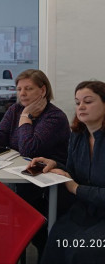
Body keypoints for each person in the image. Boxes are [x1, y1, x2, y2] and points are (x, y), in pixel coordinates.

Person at [0, 69, 71, 259]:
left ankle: (42, 250)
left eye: (28, 89)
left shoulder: (54, 117)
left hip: (48, 183)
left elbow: (29, 149)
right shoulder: (15, 109)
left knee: (29, 218)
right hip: (21, 176)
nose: (22, 94)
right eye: (19, 89)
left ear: (43, 90)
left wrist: (26, 116)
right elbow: (0, 136)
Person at [31, 80, 105, 264]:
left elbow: (75, 185)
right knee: (55, 238)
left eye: (88, 101)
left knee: (84, 252)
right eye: (78, 102)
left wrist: (76, 189)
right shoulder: (78, 136)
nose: (81, 107)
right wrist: (54, 164)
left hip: (101, 212)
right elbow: (73, 174)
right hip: (85, 209)